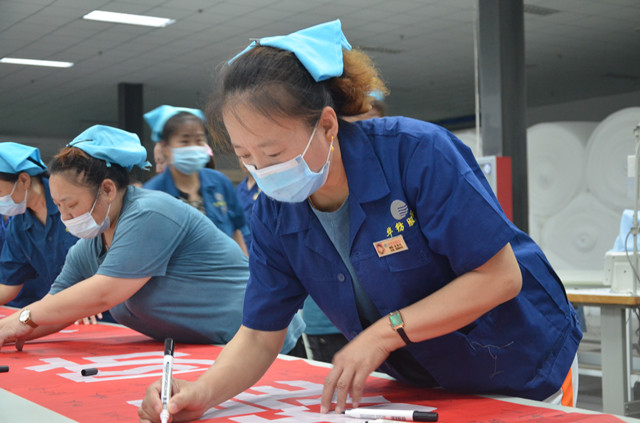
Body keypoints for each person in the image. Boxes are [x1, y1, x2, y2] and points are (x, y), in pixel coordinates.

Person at [138, 20, 581, 422]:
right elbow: (259, 336)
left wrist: (384, 334)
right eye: (246, 157)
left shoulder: (418, 154)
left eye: (273, 153)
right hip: (424, 386)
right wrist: (201, 393)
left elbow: (499, 277)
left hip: (521, 367)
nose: (263, 171)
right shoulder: (275, 210)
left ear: (327, 126)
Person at [0, 125, 304, 353]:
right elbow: (55, 307)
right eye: (59, 206)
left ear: (107, 189)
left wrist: (23, 318)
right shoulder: (88, 249)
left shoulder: (150, 213)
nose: (65, 217)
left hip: (267, 342)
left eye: (72, 205)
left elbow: (104, 293)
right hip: (213, 349)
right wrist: (11, 331)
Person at [143, 105, 249, 255]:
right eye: (185, 141)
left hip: (226, 268)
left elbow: (237, 230)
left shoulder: (219, 182)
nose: (193, 147)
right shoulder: (153, 193)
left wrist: (244, 265)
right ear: (165, 147)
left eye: (199, 141)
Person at [0, 143, 78, 308]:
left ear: (23, 180)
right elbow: (9, 284)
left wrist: (86, 300)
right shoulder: (18, 225)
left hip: (102, 308)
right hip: (63, 309)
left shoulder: (73, 203)